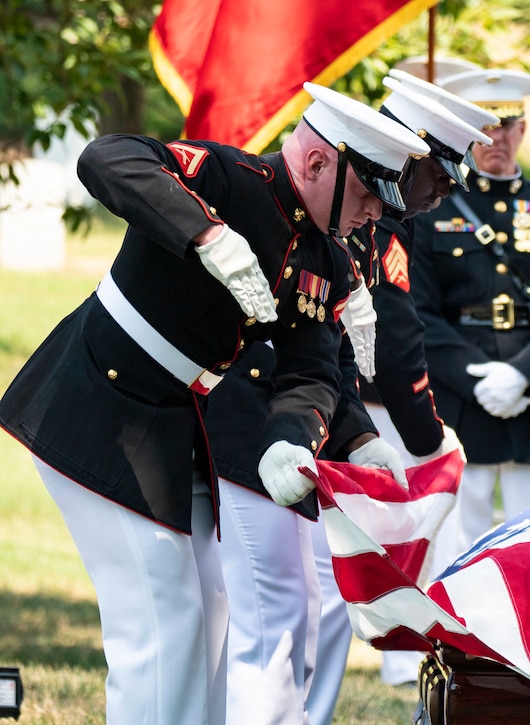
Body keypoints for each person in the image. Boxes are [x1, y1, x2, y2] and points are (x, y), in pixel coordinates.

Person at [0, 82, 429, 723]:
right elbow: (106, 159)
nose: (373, 215)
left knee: (210, 615)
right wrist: (203, 232)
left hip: (174, 431)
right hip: (98, 408)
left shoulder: (327, 257)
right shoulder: (231, 180)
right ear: (316, 165)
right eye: (367, 194)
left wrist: (304, 440)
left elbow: (310, 373)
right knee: (162, 619)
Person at [199, 80, 489, 725]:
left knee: (294, 606)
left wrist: (362, 433)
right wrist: (424, 436)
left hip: (309, 418)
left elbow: (330, 355)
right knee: (278, 609)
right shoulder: (344, 221)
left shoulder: (362, 224)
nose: (429, 203)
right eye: (429, 183)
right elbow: (390, 348)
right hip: (256, 420)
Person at [309, 65, 501, 697]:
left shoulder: (386, 212)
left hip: (322, 404)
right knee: (305, 599)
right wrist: (429, 436)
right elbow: (395, 336)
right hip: (296, 409)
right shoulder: (374, 211)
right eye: (438, 179)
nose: (441, 197)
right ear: (405, 158)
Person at [411, 67, 530, 577]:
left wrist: (522, 373)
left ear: (523, 129)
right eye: (485, 127)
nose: (497, 138)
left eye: (507, 125)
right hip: (456, 395)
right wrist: (475, 375)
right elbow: (420, 314)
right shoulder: (430, 209)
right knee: (450, 554)